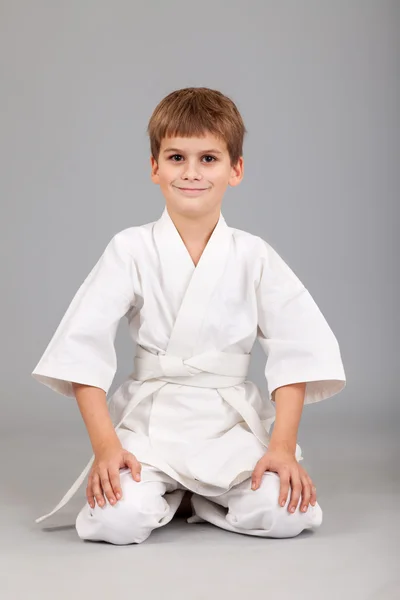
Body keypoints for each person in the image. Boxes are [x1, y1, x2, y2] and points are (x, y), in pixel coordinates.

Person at [31, 87, 346, 544]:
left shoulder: (253, 255)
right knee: (115, 520)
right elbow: (81, 350)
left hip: (228, 423)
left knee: (285, 515)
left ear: (235, 169)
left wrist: (281, 448)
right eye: (176, 157)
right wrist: (106, 449)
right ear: (155, 167)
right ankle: (168, 491)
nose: (192, 172)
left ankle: (199, 499)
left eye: (209, 159)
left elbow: (298, 349)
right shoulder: (130, 248)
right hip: (151, 422)